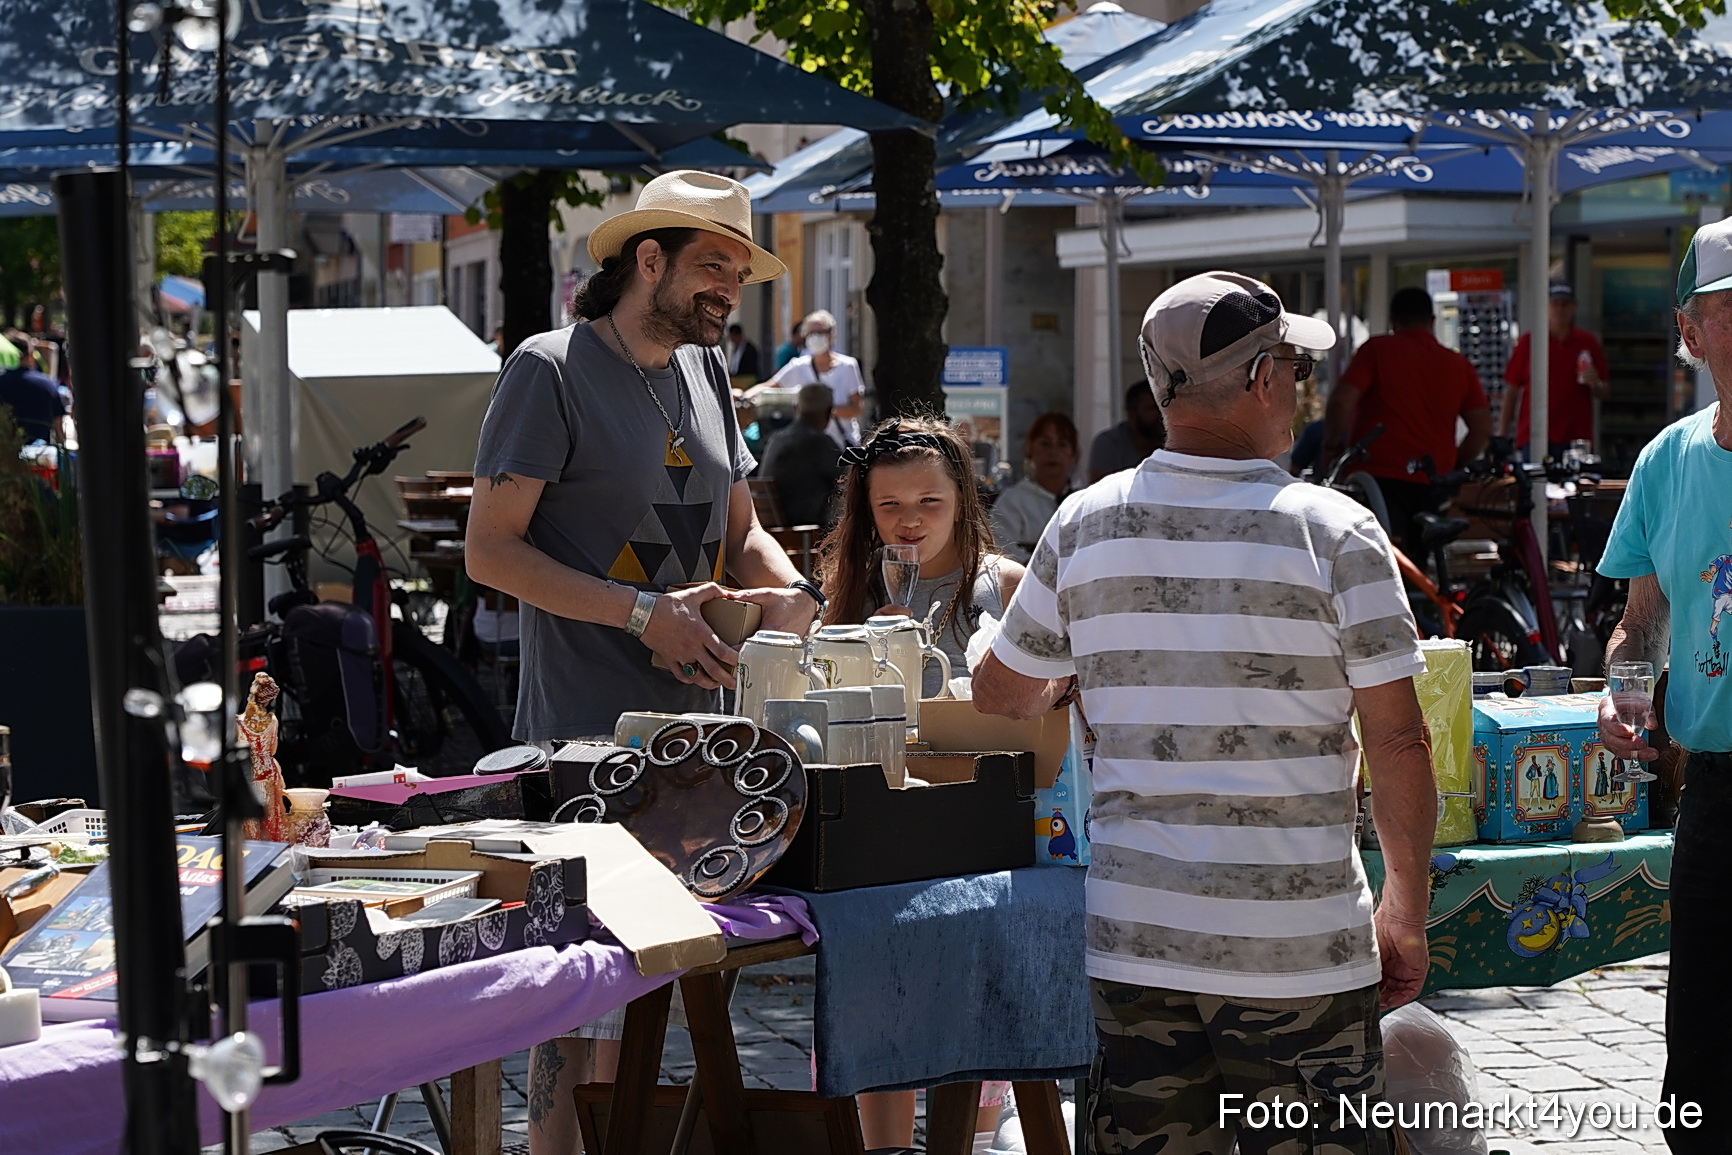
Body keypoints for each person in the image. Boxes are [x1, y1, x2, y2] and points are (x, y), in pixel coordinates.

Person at [973, 270, 1437, 1155]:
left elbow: (1001, 695)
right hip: (1295, 947)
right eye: (1295, 370)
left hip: (1136, 939)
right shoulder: (1335, 532)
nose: (1300, 392)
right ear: (1262, 379)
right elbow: (1400, 738)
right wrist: (1405, 908)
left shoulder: (1080, 525)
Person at [465, 169, 825, 1155]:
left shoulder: (709, 373)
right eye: (714, 267)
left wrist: (794, 595)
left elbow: (740, 531)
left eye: (740, 275)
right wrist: (640, 615)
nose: (729, 292)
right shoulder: (548, 368)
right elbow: (489, 550)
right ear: (649, 259)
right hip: (581, 744)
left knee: (643, 993)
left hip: (697, 749)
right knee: (568, 997)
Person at [814, 415, 1025, 1147]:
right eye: (889, 507)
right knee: (882, 980)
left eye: (928, 503)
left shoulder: (1007, 588)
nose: (909, 523)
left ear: (963, 499)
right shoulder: (851, 587)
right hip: (885, 831)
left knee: (973, 999)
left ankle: (971, 1136)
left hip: (982, 828)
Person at [1596, 214, 1732, 1154]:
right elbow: (1639, 623)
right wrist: (1625, 690)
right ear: (1690, 333)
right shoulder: (1667, 461)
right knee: (1707, 1056)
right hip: (1717, 786)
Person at [1324, 286, 1491, 562]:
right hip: (1432, 480)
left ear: (1393, 321)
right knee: (1419, 563)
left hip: (1377, 477)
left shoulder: (1377, 350)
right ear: (1432, 321)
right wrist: (1455, 466)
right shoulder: (1458, 365)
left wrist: (1331, 449)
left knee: (1375, 564)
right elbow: (1482, 430)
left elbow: (1342, 401)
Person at [1500, 282, 1609, 458]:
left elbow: (1605, 390)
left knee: (1576, 484)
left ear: (1574, 308)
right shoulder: (1529, 342)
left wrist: (1594, 382)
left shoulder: (1587, 342)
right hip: (1534, 434)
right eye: (1555, 304)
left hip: (1576, 436)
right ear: (1547, 307)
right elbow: (1512, 391)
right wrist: (1502, 435)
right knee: (1535, 483)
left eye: (1565, 304)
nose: (1560, 309)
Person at [762, 309, 865, 447]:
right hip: (808, 447)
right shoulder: (798, 366)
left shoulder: (848, 366)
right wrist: (742, 395)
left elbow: (856, 409)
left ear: (831, 335)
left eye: (820, 332)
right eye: (810, 333)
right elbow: (769, 386)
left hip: (841, 447)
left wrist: (823, 411)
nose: (815, 337)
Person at [990, 412, 1079, 564]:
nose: (1053, 452)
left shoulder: (1082, 500)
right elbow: (1000, 546)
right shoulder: (1012, 501)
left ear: (1073, 453)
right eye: (1045, 443)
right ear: (1030, 449)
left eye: (1062, 444)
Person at [760, 383, 843, 528]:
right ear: (829, 412)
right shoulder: (819, 442)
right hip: (806, 528)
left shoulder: (776, 439)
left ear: (796, 408)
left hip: (773, 526)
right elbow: (848, 476)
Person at [1086, 379, 1164, 481]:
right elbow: (1099, 490)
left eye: (1164, 408)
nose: (1161, 415)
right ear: (1131, 415)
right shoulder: (1109, 444)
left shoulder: (1175, 443)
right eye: (1152, 408)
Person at [0, 335, 67, 443]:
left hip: (7, 452)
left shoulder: (2, 383)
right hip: (42, 453)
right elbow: (59, 428)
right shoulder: (48, 384)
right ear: (31, 355)